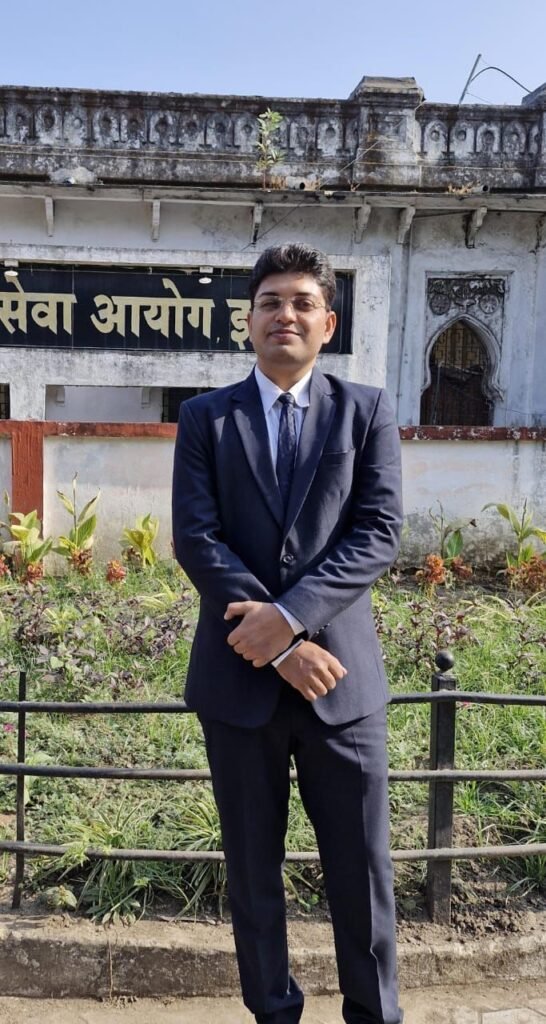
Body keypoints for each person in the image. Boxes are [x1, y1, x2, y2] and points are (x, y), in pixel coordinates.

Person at [172, 243, 403, 1024]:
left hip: (344, 687)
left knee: (362, 874)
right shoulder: (205, 419)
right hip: (238, 688)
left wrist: (293, 619)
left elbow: (377, 533)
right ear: (248, 321)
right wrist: (277, 645)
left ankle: (375, 1015)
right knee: (252, 876)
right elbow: (197, 539)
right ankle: (273, 1013)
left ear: (328, 323)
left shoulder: (366, 411)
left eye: (303, 302)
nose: (286, 315)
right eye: (270, 302)